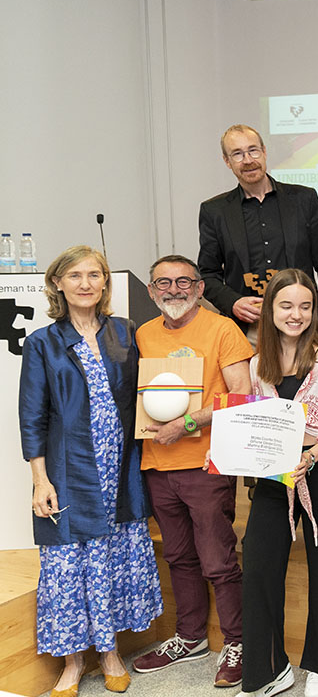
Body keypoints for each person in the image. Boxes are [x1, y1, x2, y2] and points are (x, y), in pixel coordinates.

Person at [18, 246, 162, 697]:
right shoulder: (43, 341)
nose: (85, 283)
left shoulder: (125, 332)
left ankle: (112, 652)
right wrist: (40, 479)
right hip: (67, 471)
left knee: (111, 562)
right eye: (75, 275)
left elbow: (150, 391)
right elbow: (33, 415)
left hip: (121, 470)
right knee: (67, 566)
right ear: (58, 283)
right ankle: (73, 663)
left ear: (105, 283)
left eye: (94, 275)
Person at [132, 255, 253, 687]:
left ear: (201, 288)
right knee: (179, 555)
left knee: (218, 558)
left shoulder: (222, 329)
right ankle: (189, 638)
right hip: (156, 463)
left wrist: (186, 424)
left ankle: (239, 642)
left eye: (184, 281)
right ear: (150, 291)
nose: (174, 289)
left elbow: (241, 396)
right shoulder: (143, 334)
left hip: (205, 463)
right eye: (162, 282)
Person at [241, 269, 318, 697]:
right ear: (270, 309)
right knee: (256, 566)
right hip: (276, 475)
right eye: (286, 305)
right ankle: (269, 669)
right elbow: (254, 424)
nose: (296, 315)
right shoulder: (258, 365)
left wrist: (312, 454)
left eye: (305, 307)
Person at [199, 124, 318, 340]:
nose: (248, 160)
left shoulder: (304, 200)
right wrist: (233, 302)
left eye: (253, 150)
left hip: (302, 324)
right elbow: (207, 275)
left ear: (264, 152)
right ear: (227, 161)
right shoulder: (214, 211)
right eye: (237, 154)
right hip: (247, 332)